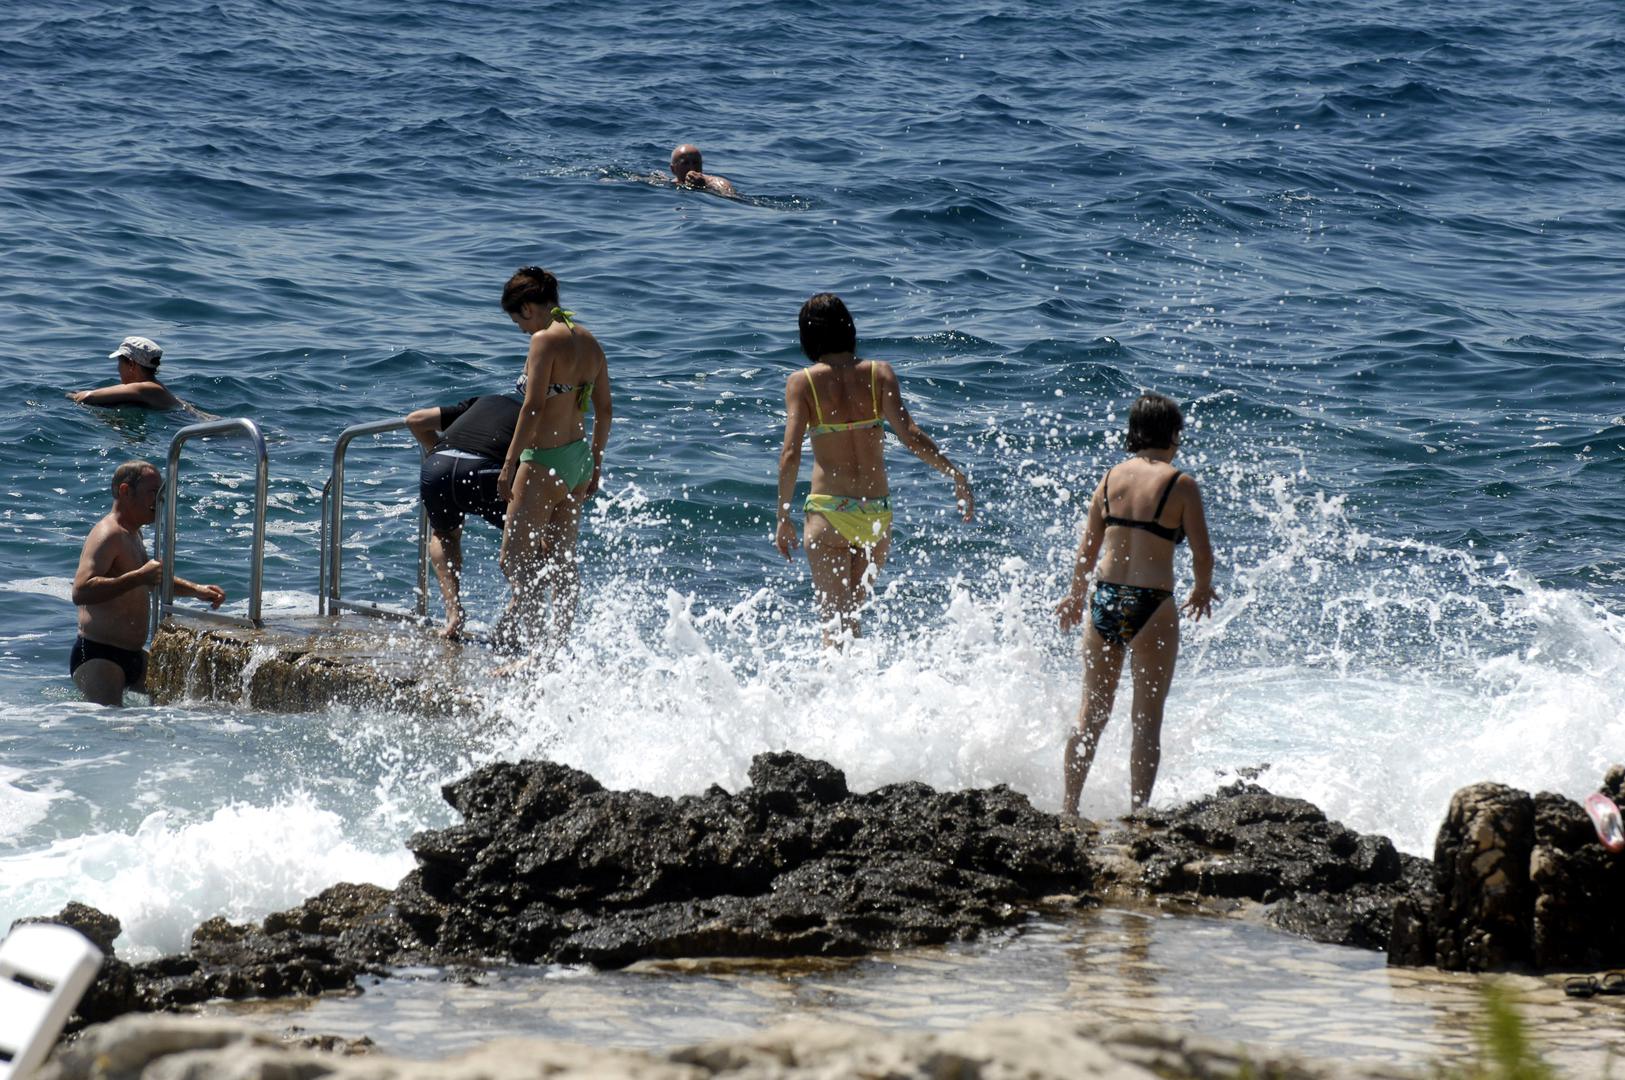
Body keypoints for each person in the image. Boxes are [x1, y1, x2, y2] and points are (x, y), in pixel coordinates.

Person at [774, 293, 974, 646]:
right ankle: (860, 694)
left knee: (834, 624)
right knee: (851, 619)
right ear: (848, 328)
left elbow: (790, 453)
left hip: (829, 513)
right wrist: (954, 473)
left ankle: (837, 696)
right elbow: (911, 436)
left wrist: (782, 516)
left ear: (808, 336)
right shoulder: (879, 373)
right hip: (876, 515)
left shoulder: (802, 383)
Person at [1054, 392, 1215, 813]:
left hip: (1105, 598)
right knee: (1146, 722)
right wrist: (1202, 588)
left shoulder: (1109, 480)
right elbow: (1202, 551)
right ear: (1174, 434)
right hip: (1153, 604)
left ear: (1134, 433)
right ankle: (1138, 813)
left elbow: (1087, 551)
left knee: (1091, 715)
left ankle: (1069, 807)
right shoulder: (1181, 484)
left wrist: (1075, 597)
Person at [495, 267, 612, 660]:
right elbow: (606, 410)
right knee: (563, 561)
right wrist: (595, 464)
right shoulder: (592, 343)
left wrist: (509, 464)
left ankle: (535, 654)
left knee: (513, 560)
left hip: (542, 461)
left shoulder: (544, 341)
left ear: (529, 308)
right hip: (578, 458)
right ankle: (556, 649)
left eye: (517, 320)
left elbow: (532, 407)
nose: (521, 330)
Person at [71, 460, 225, 706]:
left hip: (133, 655)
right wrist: (139, 577)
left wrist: (197, 591)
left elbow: (151, 579)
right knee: (112, 732)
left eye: (161, 492)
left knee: (183, 701)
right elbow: (81, 590)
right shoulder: (107, 534)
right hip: (99, 655)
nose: (159, 500)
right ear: (125, 491)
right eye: (153, 493)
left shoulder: (133, 533)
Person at [405, 393, 521, 639]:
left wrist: (439, 453)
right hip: (485, 472)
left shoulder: (480, 402)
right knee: (532, 541)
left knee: (444, 534)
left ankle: (454, 615)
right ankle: (511, 617)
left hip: (438, 467)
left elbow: (415, 420)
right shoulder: (531, 415)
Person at [67, 336, 184, 410]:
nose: (118, 369)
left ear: (132, 365)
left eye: (120, 363)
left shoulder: (144, 388)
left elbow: (87, 397)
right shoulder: (156, 388)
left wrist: (71, 395)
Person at [669, 144, 735, 196]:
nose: (692, 168)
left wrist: (703, 186)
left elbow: (730, 197)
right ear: (673, 169)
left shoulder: (719, 183)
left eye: (696, 163)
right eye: (685, 163)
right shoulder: (671, 184)